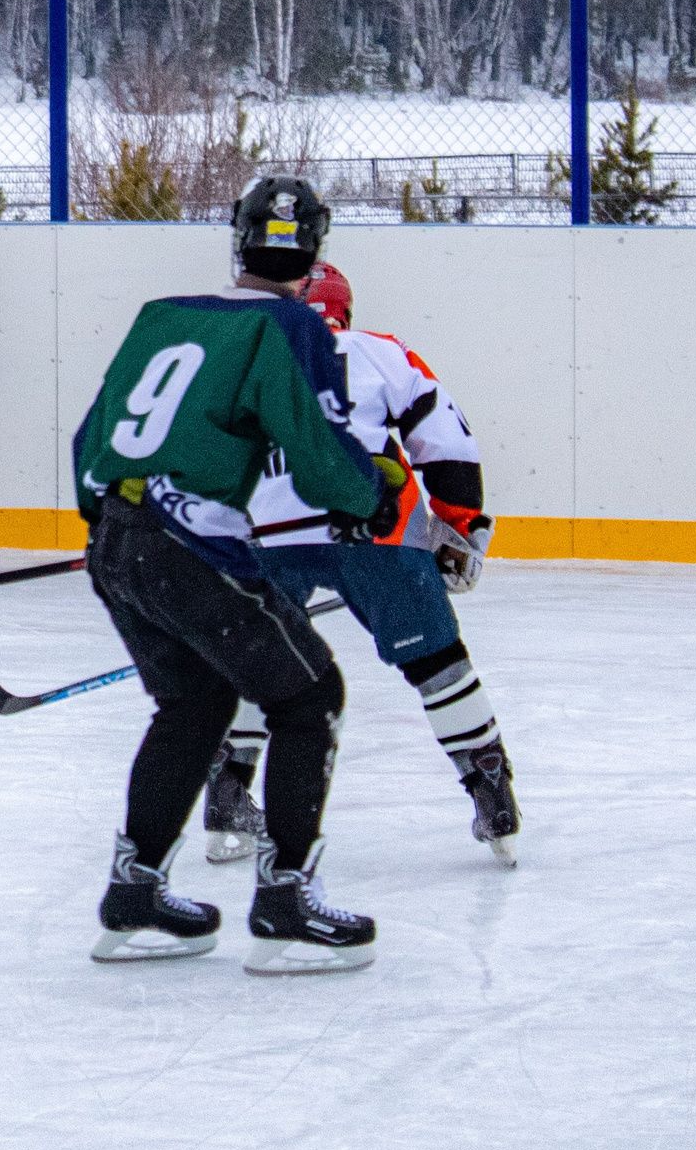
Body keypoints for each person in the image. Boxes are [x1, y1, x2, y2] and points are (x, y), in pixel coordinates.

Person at [72, 177, 404, 975]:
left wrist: (122, 525)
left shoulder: (163, 315)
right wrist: (371, 494)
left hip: (118, 541)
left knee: (195, 703)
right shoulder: (290, 324)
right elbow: (321, 453)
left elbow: (91, 442)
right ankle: (287, 900)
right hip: (190, 545)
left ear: (237, 236)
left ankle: (136, 891)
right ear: (315, 246)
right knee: (310, 695)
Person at [204, 259, 520, 866]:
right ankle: (488, 784)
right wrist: (461, 527)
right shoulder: (381, 352)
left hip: (268, 534)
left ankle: (227, 790)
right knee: (436, 661)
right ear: (343, 309)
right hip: (378, 529)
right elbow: (445, 441)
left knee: (253, 659)